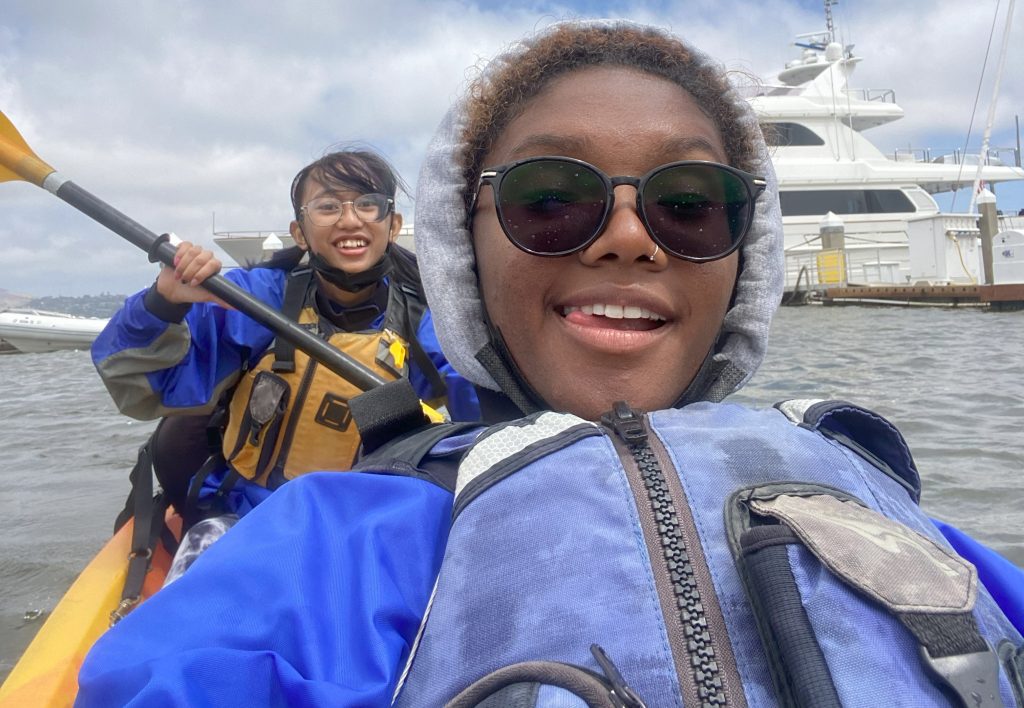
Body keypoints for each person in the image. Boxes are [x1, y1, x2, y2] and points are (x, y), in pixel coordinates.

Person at [77, 21, 1024, 707]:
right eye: (548, 199)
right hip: (252, 509)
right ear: (467, 252)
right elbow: (140, 387)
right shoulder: (328, 538)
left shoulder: (888, 509)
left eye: (690, 204)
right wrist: (166, 303)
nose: (624, 239)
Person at [92, 148, 478, 525]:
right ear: (301, 233)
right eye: (328, 207)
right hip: (242, 515)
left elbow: (484, 410)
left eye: (367, 204)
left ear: (391, 225)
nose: (349, 220)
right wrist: (163, 304)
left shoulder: (424, 317)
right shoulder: (254, 299)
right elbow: (136, 386)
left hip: (355, 524)